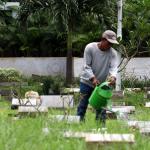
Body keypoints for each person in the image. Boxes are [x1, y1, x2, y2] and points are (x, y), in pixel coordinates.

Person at [77, 30, 119, 124]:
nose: (110, 46)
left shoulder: (113, 53)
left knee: (101, 107)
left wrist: (113, 77)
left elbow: (113, 67)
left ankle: (100, 127)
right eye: (109, 43)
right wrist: (93, 78)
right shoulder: (90, 48)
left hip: (101, 85)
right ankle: (79, 124)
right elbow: (86, 66)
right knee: (82, 105)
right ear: (103, 40)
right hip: (86, 82)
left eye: (112, 44)